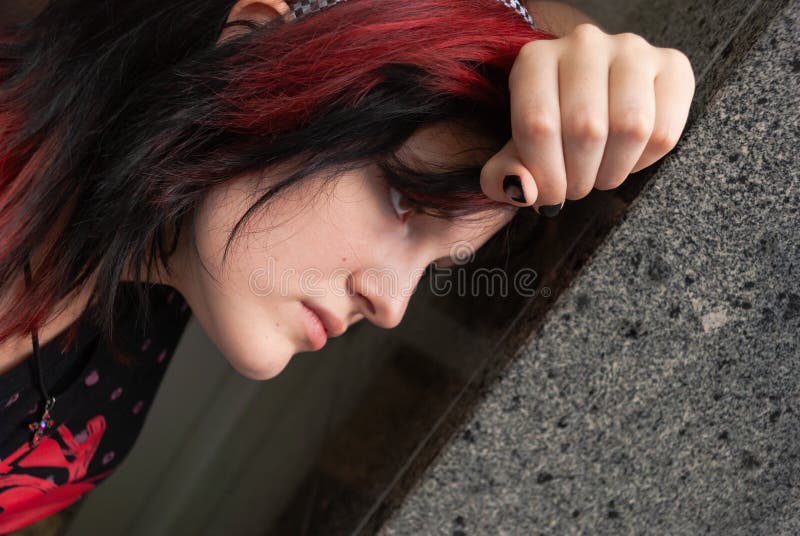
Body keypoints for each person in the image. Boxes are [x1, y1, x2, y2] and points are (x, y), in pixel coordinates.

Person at [0, 0, 695, 530]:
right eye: (403, 198)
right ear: (256, 40)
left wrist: (572, 59)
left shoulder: (128, 326)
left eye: (435, 264)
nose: (390, 305)